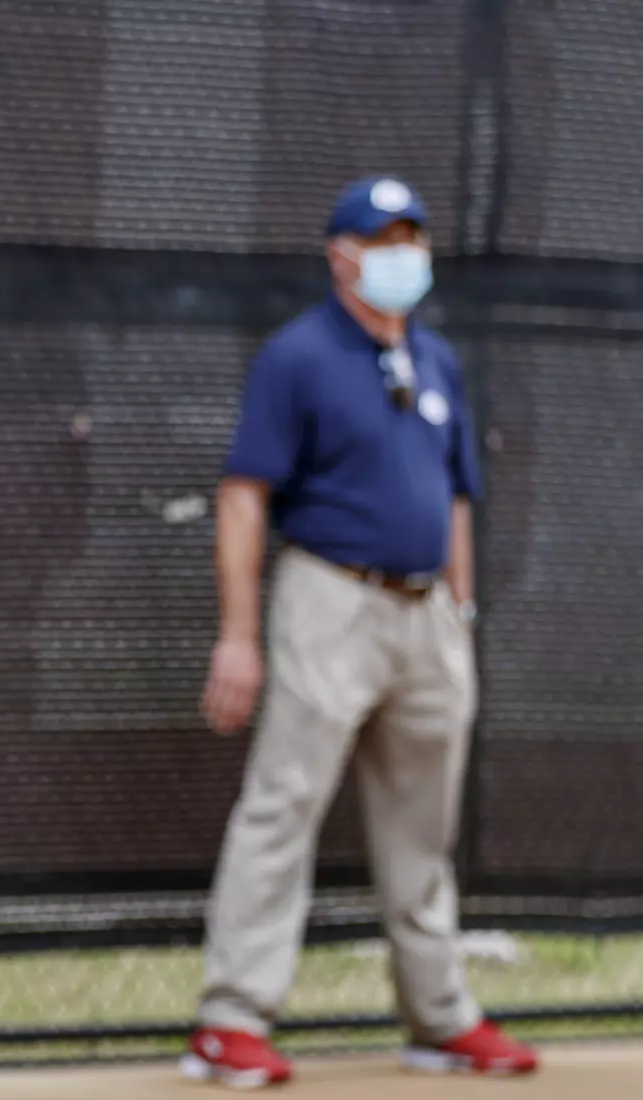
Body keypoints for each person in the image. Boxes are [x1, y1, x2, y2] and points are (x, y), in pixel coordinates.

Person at [185, 176, 538, 1088]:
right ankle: (230, 1022)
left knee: (426, 826)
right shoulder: (297, 357)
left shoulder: (438, 360)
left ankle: (440, 1018)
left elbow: (457, 496)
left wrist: (458, 610)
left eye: (411, 236)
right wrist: (239, 635)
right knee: (284, 804)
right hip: (328, 600)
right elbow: (242, 497)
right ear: (340, 253)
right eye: (381, 237)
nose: (400, 253)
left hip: (429, 617)